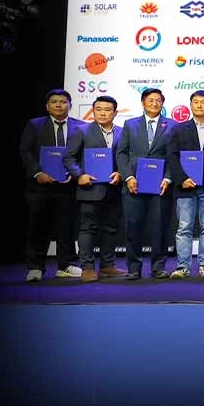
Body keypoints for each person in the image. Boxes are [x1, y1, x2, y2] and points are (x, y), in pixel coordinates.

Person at [19, 88, 85, 281]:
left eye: (63, 102)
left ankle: (65, 265)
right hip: (40, 186)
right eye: (54, 102)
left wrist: (76, 173)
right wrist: (38, 173)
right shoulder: (35, 125)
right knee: (37, 226)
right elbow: (25, 151)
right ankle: (35, 267)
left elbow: (84, 154)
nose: (59, 105)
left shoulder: (81, 126)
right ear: (47, 106)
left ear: (70, 105)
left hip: (69, 186)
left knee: (67, 227)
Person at [63, 95, 126, 282]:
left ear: (115, 112)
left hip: (114, 188)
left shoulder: (123, 132)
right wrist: (79, 175)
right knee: (87, 228)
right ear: (93, 111)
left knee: (111, 228)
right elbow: (69, 158)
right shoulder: (81, 131)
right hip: (89, 189)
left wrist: (121, 173)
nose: (102, 113)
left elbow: (126, 158)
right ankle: (88, 268)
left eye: (107, 110)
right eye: (98, 109)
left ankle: (107, 265)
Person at [116, 88, 176, 280]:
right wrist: (128, 177)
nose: (154, 103)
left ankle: (158, 267)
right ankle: (134, 268)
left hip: (161, 185)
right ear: (143, 103)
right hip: (134, 184)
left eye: (158, 100)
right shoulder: (130, 124)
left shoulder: (172, 126)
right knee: (133, 227)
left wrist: (168, 178)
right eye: (150, 100)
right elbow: (121, 153)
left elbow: (174, 155)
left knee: (159, 228)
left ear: (162, 103)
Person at [167, 90, 204, 278]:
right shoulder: (178, 129)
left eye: (203, 102)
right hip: (185, 187)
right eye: (196, 102)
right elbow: (172, 156)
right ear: (190, 105)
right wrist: (181, 178)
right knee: (184, 228)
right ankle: (182, 267)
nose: (199, 105)